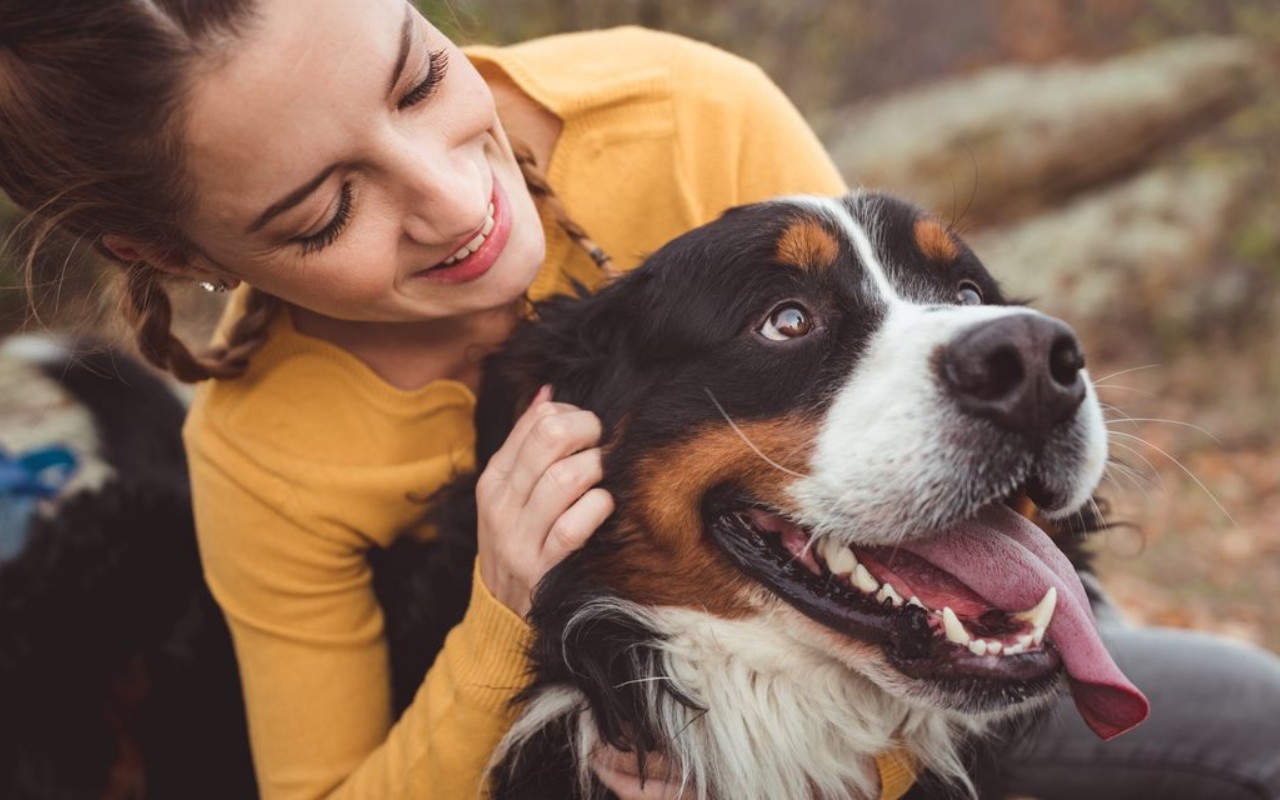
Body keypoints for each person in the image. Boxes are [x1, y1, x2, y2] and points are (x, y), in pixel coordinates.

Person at [2, 2, 1279, 800]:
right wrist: (506, 609)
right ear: (175, 255)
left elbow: (876, 366)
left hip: (931, 577)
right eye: (326, 208)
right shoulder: (265, 457)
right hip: (623, 686)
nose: (454, 200)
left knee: (1249, 724)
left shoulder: (684, 109)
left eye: (416, 78)